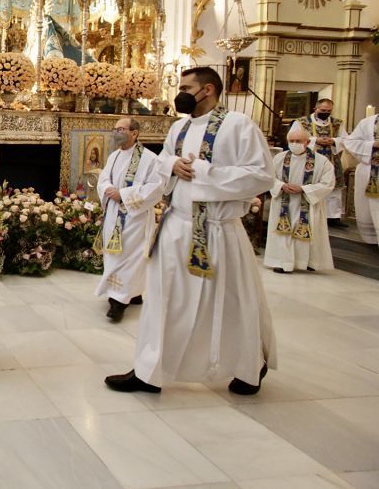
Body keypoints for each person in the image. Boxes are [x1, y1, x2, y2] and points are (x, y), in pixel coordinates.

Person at [105, 67, 276, 396]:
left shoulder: (239, 125)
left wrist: (201, 170)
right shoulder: (179, 126)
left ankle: (249, 365)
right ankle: (148, 371)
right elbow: (162, 162)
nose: (179, 92)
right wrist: (171, 165)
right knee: (163, 300)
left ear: (208, 89)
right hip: (176, 224)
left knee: (230, 301)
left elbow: (260, 176)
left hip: (218, 229)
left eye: (186, 87)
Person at [95, 118, 163, 322]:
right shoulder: (114, 156)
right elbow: (103, 177)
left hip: (135, 216)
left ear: (134, 133)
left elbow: (156, 187)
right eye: (115, 129)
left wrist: (123, 194)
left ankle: (118, 302)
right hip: (113, 213)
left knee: (129, 256)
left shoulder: (150, 159)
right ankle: (132, 293)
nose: (117, 132)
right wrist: (108, 189)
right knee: (113, 253)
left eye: (121, 129)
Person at [264, 126, 335, 274]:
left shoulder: (322, 161)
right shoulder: (279, 158)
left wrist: (303, 189)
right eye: (291, 141)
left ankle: (307, 261)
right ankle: (283, 262)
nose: (294, 143)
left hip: (308, 204)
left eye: (298, 140)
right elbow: (268, 177)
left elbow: (328, 183)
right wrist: (282, 185)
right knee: (284, 233)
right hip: (283, 203)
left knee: (308, 231)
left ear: (307, 141)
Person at [288, 99, 348, 228]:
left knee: (333, 187)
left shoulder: (337, 123)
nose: (326, 113)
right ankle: (311, 212)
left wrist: (333, 141)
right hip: (310, 160)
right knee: (313, 184)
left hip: (332, 159)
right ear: (316, 108)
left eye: (328, 111)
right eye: (323, 110)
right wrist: (316, 140)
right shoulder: (302, 122)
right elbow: (292, 136)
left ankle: (333, 218)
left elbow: (346, 139)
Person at [344, 111, 379, 250]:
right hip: (370, 169)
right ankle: (373, 240)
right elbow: (350, 142)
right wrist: (373, 144)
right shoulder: (368, 122)